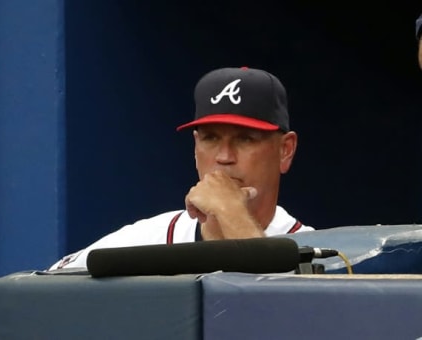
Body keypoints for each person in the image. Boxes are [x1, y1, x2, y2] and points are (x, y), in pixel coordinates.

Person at [49, 66, 314, 270]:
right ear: (195, 147)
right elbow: (39, 298)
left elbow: (276, 314)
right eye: (211, 138)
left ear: (285, 150)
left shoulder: (323, 253)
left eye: (245, 139)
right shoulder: (146, 238)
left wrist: (231, 213)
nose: (224, 157)